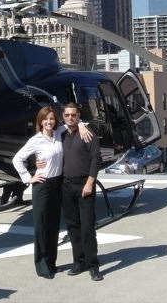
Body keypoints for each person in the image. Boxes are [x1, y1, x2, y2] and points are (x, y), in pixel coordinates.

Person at [13, 106, 93, 279]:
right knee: (42, 226)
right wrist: (29, 177)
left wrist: (81, 126)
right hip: (42, 185)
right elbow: (17, 159)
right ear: (40, 121)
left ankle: (52, 262)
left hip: (58, 183)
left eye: (51, 119)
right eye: (45, 119)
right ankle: (42, 265)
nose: (49, 122)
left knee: (53, 225)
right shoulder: (36, 140)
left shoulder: (58, 133)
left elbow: (74, 121)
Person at [60, 102, 103, 281]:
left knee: (87, 227)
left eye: (74, 115)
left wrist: (90, 183)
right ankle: (79, 261)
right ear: (63, 116)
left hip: (84, 185)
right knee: (73, 227)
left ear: (79, 116)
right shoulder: (60, 134)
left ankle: (93, 265)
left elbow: (96, 159)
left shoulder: (88, 134)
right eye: (67, 115)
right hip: (66, 186)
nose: (71, 118)